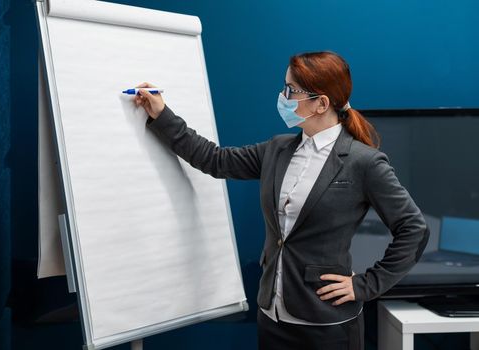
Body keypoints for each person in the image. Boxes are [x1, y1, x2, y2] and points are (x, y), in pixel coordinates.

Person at [133, 51, 430, 350]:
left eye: (291, 90)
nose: (282, 96)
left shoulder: (364, 162)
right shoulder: (278, 149)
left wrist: (365, 285)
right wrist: (162, 114)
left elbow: (414, 229)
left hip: (326, 325)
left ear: (321, 103)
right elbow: (215, 159)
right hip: (272, 317)